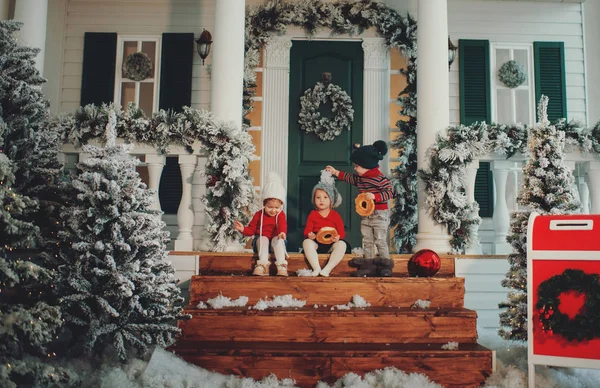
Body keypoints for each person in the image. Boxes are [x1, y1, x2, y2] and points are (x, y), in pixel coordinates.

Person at [325, 140, 393, 259]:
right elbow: (350, 178)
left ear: (367, 165)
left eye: (357, 166)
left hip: (379, 214)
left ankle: (385, 262)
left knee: (380, 240)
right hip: (365, 214)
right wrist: (335, 172)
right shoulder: (360, 177)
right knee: (367, 240)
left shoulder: (380, 178)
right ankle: (369, 262)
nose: (355, 169)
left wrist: (375, 197)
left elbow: (389, 192)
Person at [234, 172, 288, 276]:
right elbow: (252, 229)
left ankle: (282, 265)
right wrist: (243, 229)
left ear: (281, 205)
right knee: (263, 238)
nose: (273, 211)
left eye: (276, 208)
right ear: (264, 204)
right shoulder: (259, 214)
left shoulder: (281, 215)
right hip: (261, 244)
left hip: (275, 244)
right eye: (270, 207)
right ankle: (262, 265)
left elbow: (282, 225)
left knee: (278, 239)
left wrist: (282, 233)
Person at [302, 171, 348, 277]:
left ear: (331, 200)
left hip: (331, 243)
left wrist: (338, 237)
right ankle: (316, 268)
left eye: (325, 197)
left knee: (342, 245)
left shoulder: (335, 215)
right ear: (314, 200)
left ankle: (327, 269)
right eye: (318, 197)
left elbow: (341, 231)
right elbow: (307, 230)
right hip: (317, 243)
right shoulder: (313, 214)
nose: (321, 200)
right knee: (306, 243)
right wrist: (310, 235)